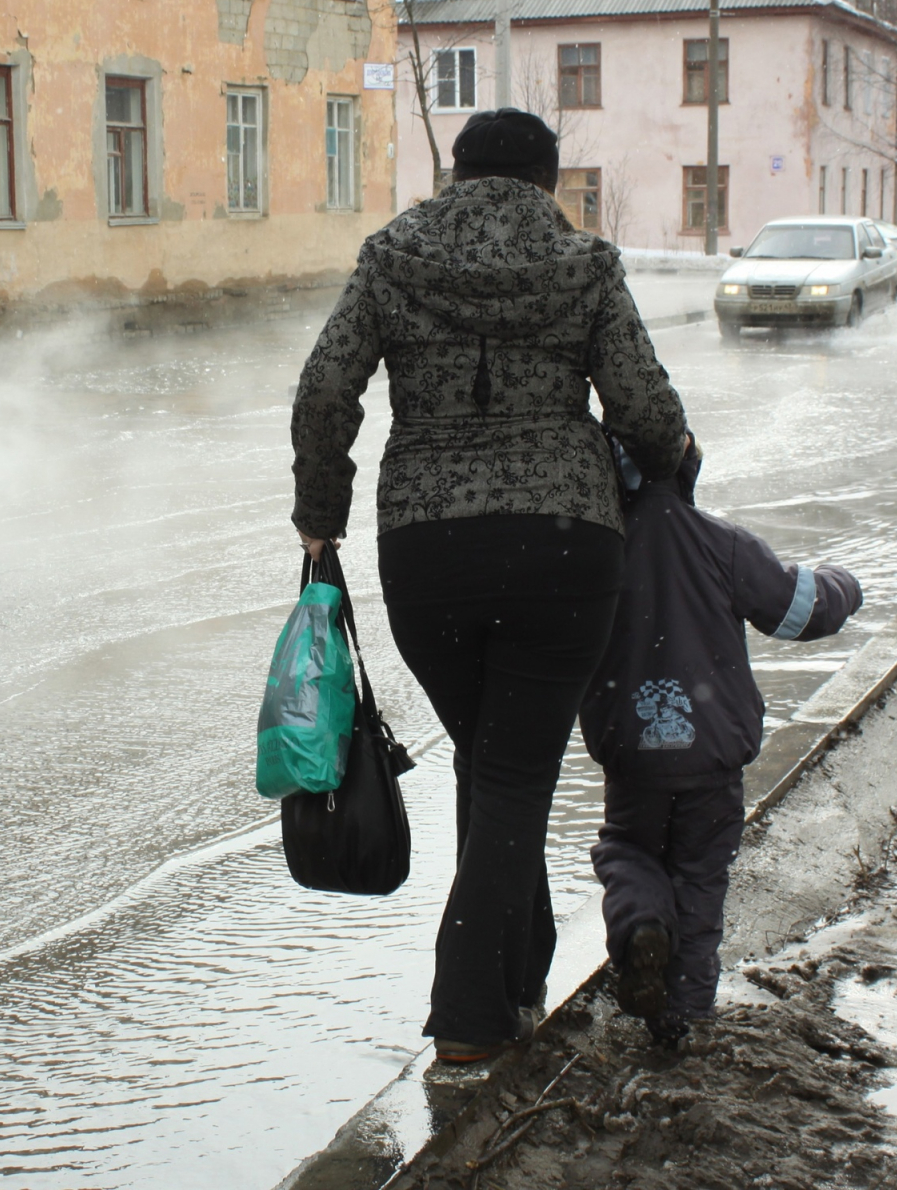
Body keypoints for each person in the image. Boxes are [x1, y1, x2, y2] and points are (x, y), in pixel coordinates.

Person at [290, 108, 691, 1065]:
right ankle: (472, 1012)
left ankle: (521, 975)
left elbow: (323, 391)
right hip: (563, 549)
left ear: (455, 175)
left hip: (428, 552)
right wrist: (673, 457)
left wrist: (320, 515)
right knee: (512, 774)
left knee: (492, 765)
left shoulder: (393, 256)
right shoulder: (585, 266)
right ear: (547, 182)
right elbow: (641, 404)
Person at [581, 438, 862, 1046]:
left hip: (632, 760)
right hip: (710, 759)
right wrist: (845, 584)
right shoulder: (722, 544)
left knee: (629, 852)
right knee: (701, 877)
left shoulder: (596, 551)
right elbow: (798, 609)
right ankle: (683, 1014)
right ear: (687, 470)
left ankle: (640, 926)